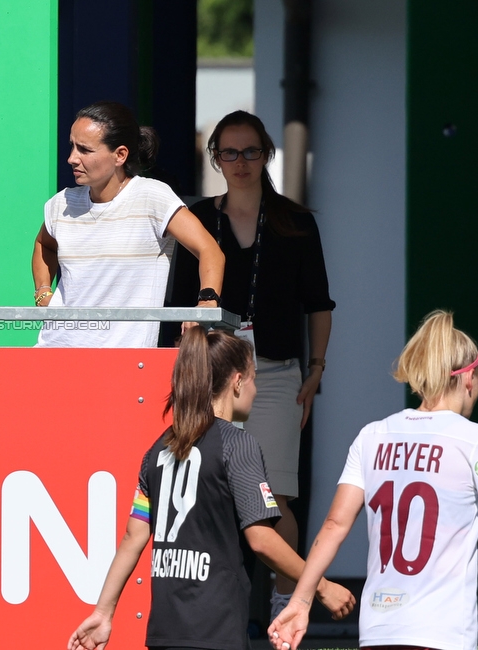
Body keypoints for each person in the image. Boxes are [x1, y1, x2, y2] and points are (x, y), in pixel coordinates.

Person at [69, 327, 354, 650]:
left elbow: (133, 538)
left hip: (164, 632)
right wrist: (320, 585)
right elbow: (261, 541)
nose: (256, 390)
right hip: (216, 632)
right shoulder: (238, 445)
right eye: (253, 379)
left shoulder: (159, 449)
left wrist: (103, 612)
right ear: (236, 382)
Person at [268, 311, 478, 650]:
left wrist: (300, 602)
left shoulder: (373, 436)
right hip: (441, 632)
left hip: (379, 629)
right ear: (469, 379)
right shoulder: (476, 440)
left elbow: (334, 525)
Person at [164, 110, 335, 613]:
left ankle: (290, 607)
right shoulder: (197, 219)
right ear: (215, 157)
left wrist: (317, 369)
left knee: (276, 496)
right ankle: (214, 610)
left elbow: (320, 304)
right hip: (212, 373)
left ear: (267, 157)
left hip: (278, 374)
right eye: (230, 152)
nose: (241, 162)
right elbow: (181, 304)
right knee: (205, 490)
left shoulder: (297, 223)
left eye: (251, 152)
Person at [31, 101, 225, 348]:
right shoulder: (62, 203)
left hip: (126, 360)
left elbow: (210, 250)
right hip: (54, 350)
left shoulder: (152, 196)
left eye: (85, 150)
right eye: (72, 146)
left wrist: (207, 301)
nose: (71, 158)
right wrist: (43, 293)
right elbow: (43, 244)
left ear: (120, 155)